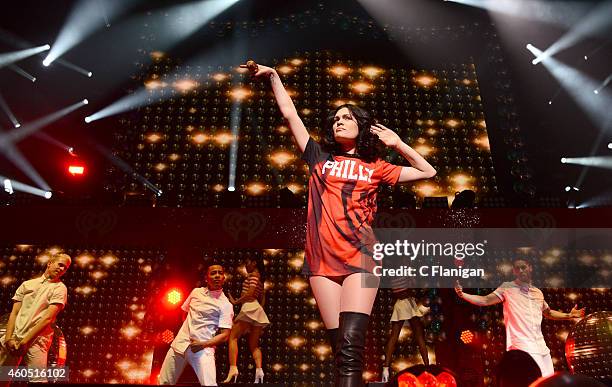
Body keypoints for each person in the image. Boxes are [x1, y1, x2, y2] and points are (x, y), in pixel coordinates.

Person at [245, 61, 436, 386]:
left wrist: (398, 144)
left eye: (347, 117)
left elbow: (427, 172)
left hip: (361, 259)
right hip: (322, 261)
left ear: (362, 126)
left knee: (350, 346)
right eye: (336, 118)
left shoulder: (376, 167)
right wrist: (274, 76)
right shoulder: (319, 157)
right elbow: (290, 115)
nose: (339, 122)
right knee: (340, 349)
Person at [454, 258, 585, 378]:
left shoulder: (537, 292)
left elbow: (548, 312)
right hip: (522, 346)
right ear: (514, 272)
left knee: (547, 382)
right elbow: (485, 300)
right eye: (518, 268)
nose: (521, 270)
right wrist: (463, 295)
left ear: (530, 268)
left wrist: (570, 315)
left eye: (523, 267)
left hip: (541, 347)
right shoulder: (507, 287)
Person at [0, 253, 72, 386]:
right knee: (2, 379)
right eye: (60, 264)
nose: (62, 269)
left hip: (37, 340)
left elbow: (48, 318)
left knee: (38, 381)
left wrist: (25, 341)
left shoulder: (60, 288)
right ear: (50, 263)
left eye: (65, 268)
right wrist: (9, 338)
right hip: (15, 338)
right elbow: (14, 312)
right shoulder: (27, 284)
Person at [158, 263, 234, 386]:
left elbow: (225, 335)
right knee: (165, 382)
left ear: (224, 278)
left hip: (202, 349)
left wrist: (202, 344)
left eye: (220, 273)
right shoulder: (196, 292)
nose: (217, 276)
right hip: (180, 345)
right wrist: (186, 332)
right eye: (213, 273)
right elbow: (185, 313)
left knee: (209, 385)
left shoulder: (226, 304)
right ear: (206, 278)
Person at [223, 257, 269, 383]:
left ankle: (233, 369)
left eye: (247, 263)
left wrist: (236, 301)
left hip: (249, 307)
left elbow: (250, 293)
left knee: (233, 337)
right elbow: (262, 298)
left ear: (254, 263)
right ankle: (259, 371)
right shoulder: (260, 279)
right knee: (254, 345)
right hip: (257, 309)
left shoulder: (253, 275)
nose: (245, 266)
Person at [381, 287, 429, 383]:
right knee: (419, 337)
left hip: (401, 303)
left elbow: (396, 291)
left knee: (394, 337)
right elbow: (409, 291)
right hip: (408, 303)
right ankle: (428, 368)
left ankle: (385, 370)